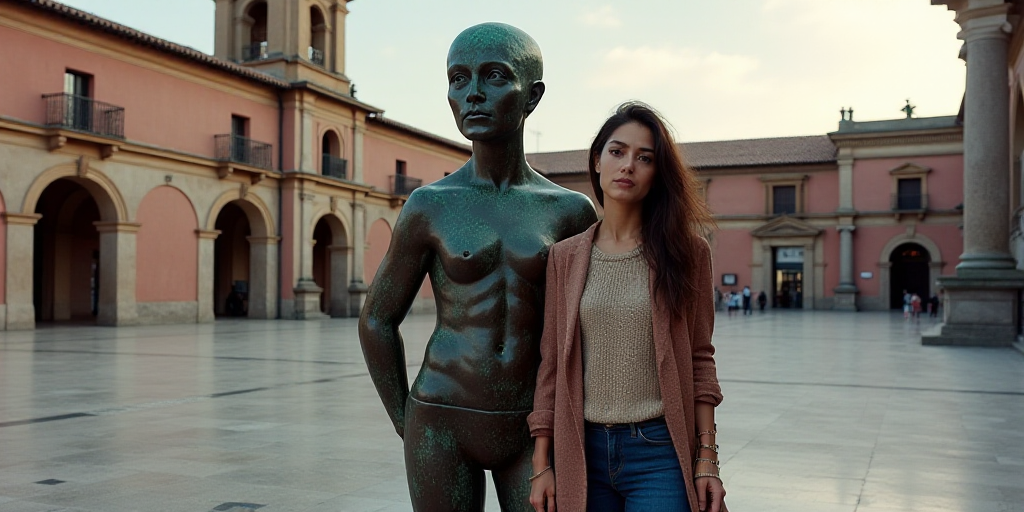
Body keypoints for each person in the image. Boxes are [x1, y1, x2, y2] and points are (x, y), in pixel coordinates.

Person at [358, 23, 597, 512]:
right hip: (441, 414)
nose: (472, 95)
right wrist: (406, 421)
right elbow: (377, 318)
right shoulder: (431, 205)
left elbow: (589, 329)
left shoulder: (570, 211)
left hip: (534, 424)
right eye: (458, 79)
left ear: (531, 97)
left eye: (492, 77)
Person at [529, 102, 726, 512]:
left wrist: (707, 458)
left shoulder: (687, 254)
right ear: (597, 160)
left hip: (658, 451)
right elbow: (550, 365)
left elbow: (700, 358)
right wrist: (541, 463)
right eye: (617, 152)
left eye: (645, 158)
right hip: (582, 452)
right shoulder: (564, 258)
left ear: (657, 174)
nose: (628, 166)